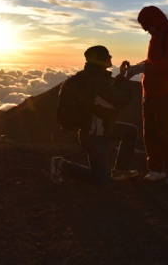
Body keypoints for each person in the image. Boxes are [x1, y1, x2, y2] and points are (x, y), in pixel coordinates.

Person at [51, 45, 139, 185]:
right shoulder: (96, 81)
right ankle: (61, 165)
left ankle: (120, 171)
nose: (110, 57)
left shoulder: (91, 77)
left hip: (100, 128)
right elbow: (121, 99)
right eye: (107, 56)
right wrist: (126, 78)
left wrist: (121, 76)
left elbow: (108, 93)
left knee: (130, 131)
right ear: (101, 60)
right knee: (100, 179)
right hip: (94, 135)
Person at [126, 6, 168, 187]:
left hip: (166, 93)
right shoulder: (156, 37)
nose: (145, 30)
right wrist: (138, 67)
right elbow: (154, 62)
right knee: (150, 134)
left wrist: (145, 68)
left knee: (165, 133)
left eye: (146, 26)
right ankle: (157, 170)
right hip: (151, 93)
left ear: (155, 22)